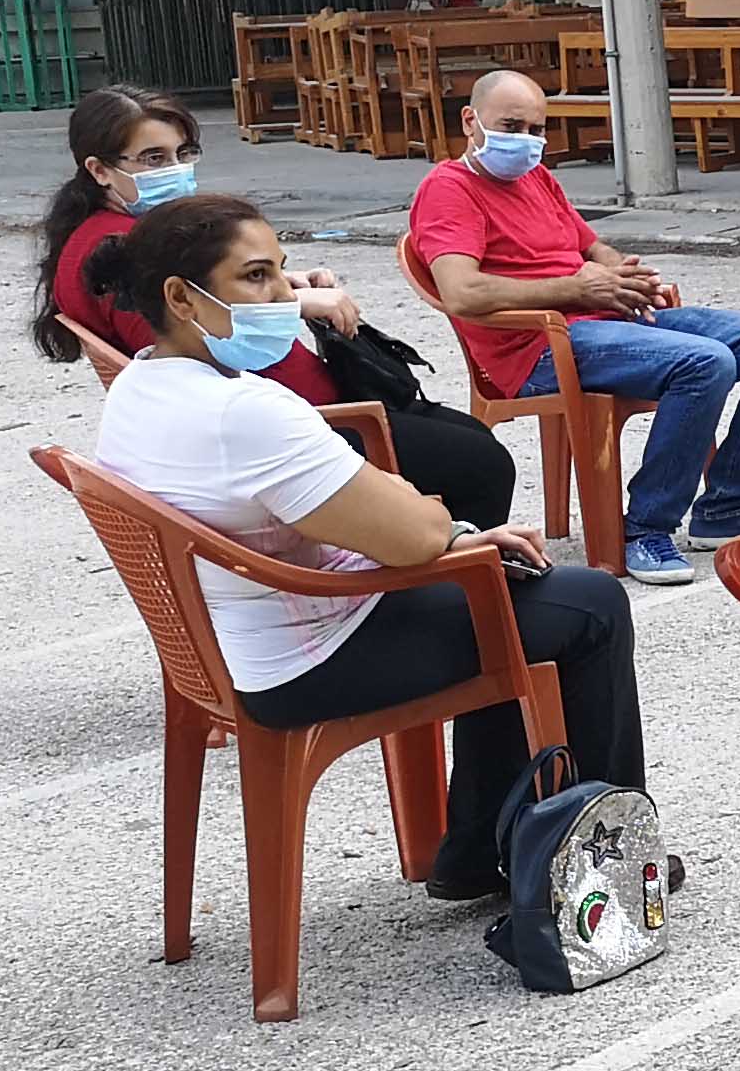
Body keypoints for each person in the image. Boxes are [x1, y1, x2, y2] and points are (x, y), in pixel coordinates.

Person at [84, 194, 649, 903]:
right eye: (255, 278)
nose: (284, 297)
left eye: (282, 273)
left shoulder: (139, 382)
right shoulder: (248, 412)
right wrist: (456, 534)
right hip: (307, 656)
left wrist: (460, 539)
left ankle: (483, 848)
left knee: (507, 586)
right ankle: (613, 854)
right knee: (586, 602)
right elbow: (412, 537)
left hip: (239, 637)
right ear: (180, 296)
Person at [35, 85, 514, 529]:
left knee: (466, 436)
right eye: (153, 158)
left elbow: (206, 300)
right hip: (295, 424)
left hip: (304, 408)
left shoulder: (113, 239)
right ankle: (467, 589)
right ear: (99, 170)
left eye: (183, 154)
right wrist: (296, 305)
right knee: (481, 463)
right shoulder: (118, 254)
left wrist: (280, 283)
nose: (176, 170)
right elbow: (186, 341)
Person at [409, 71, 740, 585]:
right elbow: (462, 292)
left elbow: (589, 247)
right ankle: (645, 526)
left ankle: (729, 504)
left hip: (606, 318)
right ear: (471, 121)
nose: (528, 141)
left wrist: (621, 272)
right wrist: (576, 289)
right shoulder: (449, 189)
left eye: (538, 129)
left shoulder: (535, 178)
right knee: (705, 362)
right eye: (512, 125)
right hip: (537, 347)